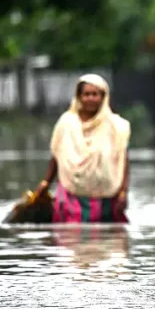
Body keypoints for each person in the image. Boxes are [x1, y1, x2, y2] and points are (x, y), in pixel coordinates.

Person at [33, 74, 131, 223]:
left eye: (95, 94)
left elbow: (123, 160)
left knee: (106, 241)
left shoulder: (116, 126)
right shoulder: (66, 123)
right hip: (70, 194)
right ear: (78, 96)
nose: (90, 99)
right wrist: (45, 183)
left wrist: (123, 192)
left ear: (103, 97)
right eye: (86, 94)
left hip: (105, 198)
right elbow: (56, 156)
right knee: (69, 238)